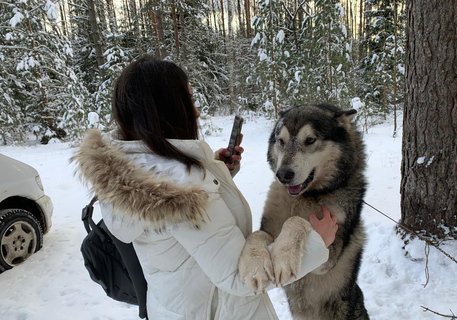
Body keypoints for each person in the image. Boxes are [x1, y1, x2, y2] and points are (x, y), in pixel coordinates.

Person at [73, 56, 337, 320]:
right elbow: (241, 277)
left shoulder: (130, 169)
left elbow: (184, 235)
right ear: (166, 110)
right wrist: (317, 241)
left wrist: (217, 171)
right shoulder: (183, 189)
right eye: (189, 100)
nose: (196, 112)